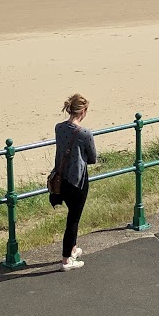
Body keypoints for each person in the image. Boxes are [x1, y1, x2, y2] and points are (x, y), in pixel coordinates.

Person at [52, 94, 98, 270]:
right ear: (83, 111)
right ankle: (66, 260)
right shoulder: (85, 133)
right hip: (78, 180)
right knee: (74, 218)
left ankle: (72, 249)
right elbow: (92, 158)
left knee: (72, 214)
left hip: (61, 177)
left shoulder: (59, 128)